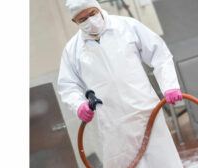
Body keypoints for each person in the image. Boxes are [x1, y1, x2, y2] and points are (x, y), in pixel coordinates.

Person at [58, 0, 183, 167]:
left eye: (92, 14)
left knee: (162, 161)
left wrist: (169, 85)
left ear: (99, 9)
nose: (90, 20)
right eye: (83, 19)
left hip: (146, 113)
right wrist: (79, 105)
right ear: (75, 22)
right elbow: (68, 85)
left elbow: (159, 54)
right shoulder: (73, 49)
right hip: (113, 124)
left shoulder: (127, 27)